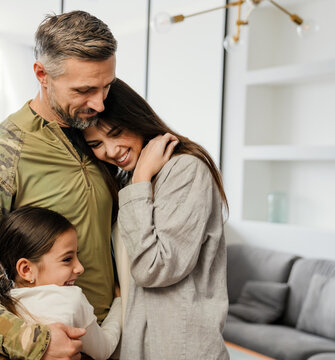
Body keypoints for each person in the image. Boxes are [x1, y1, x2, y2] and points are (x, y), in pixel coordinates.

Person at [0, 11, 118, 360]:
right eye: (84, 90)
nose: (99, 103)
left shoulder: (99, 137)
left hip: (105, 342)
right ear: (42, 75)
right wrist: (31, 341)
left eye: (106, 86)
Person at [82, 79, 230, 360]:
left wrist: (140, 181)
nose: (111, 150)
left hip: (181, 348)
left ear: (136, 119)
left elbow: (155, 268)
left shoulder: (185, 169)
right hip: (142, 343)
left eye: (116, 133)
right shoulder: (127, 178)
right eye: (96, 144)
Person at [0, 206, 121, 360]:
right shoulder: (69, 300)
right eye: (67, 259)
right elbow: (104, 349)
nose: (80, 268)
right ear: (26, 269)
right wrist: (119, 302)